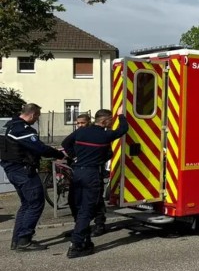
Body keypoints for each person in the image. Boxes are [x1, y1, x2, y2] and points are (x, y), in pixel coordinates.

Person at [62, 107, 129, 258]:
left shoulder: (81, 131)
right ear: (104, 121)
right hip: (91, 174)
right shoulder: (105, 135)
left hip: (77, 172)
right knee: (87, 210)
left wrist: (74, 157)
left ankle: (84, 238)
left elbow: (65, 143)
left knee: (77, 207)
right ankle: (77, 245)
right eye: (110, 121)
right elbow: (123, 129)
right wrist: (121, 115)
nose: (111, 124)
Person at [0, 103, 67, 251]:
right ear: (32, 114)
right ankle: (24, 239)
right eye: (36, 117)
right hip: (23, 171)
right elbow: (39, 148)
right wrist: (59, 154)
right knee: (36, 203)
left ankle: (17, 240)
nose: (36, 120)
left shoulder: (9, 125)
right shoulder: (22, 129)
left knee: (26, 205)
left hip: (12, 170)